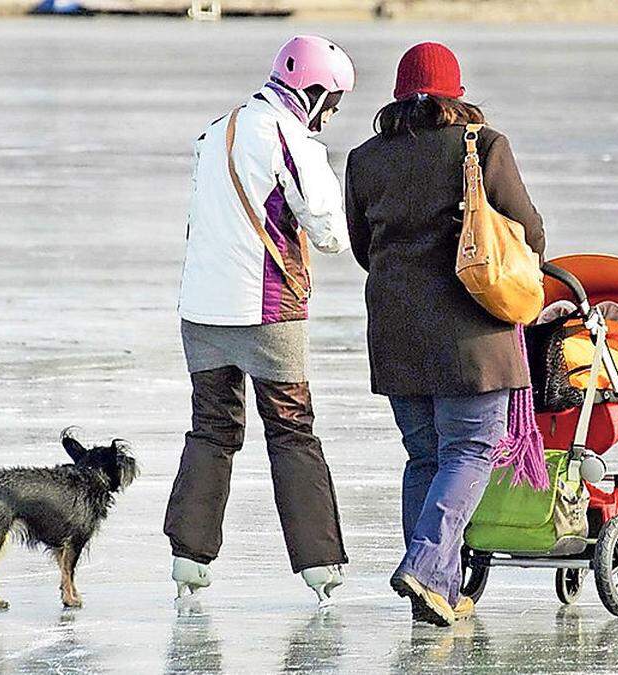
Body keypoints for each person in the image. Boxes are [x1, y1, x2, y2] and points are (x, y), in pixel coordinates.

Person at [344, 42, 545, 626]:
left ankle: (438, 590)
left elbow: (364, 247)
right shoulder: (481, 146)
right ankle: (427, 567)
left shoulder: (364, 158)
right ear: (456, 95)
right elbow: (527, 230)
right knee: (470, 450)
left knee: (424, 456)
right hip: (470, 334)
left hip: (395, 330)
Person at [164, 35, 354, 605]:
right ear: (313, 91)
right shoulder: (289, 137)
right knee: (292, 430)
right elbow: (329, 230)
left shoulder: (214, 130)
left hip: (200, 311)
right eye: (334, 102)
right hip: (268, 310)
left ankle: (188, 558)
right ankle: (320, 566)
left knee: (212, 429)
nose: (332, 116)